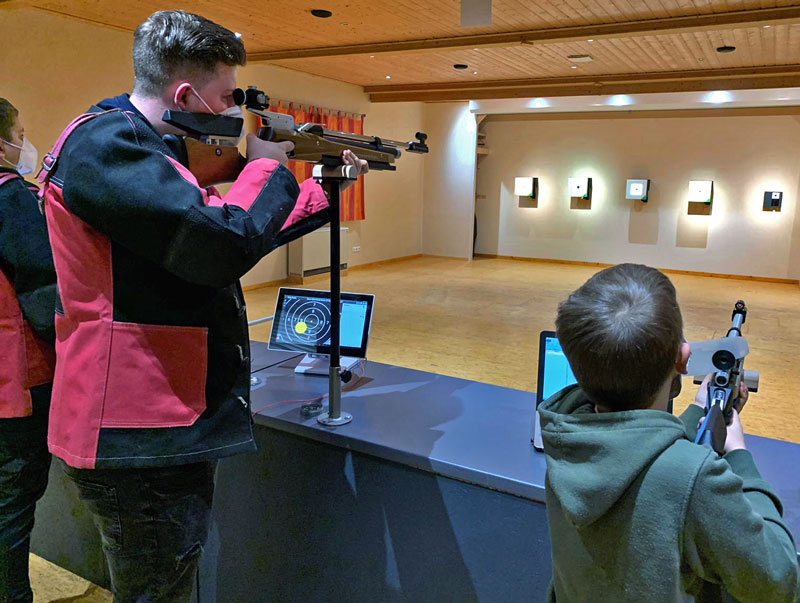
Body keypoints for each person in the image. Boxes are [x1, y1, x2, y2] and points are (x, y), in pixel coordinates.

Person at [37, 10, 366, 601]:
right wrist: (268, 161)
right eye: (225, 99)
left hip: (153, 411)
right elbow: (221, 246)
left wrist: (320, 188)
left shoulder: (133, 145)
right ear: (186, 93)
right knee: (160, 588)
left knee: (168, 580)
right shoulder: (107, 145)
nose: (232, 114)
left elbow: (213, 229)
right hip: (137, 418)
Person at [538, 263, 799, 602]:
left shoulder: (565, 433)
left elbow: (634, 446)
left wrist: (700, 412)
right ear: (683, 358)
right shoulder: (694, 478)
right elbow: (778, 580)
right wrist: (738, 454)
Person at [0, 98, 57, 603]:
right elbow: (43, 290)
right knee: (12, 501)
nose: (25, 140)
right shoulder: (10, 196)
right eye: (19, 131)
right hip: (14, 380)